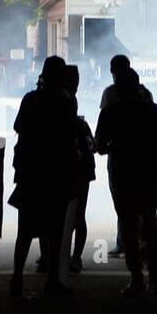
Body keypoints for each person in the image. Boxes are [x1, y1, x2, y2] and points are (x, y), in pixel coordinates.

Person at [9, 56, 77, 298]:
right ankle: (52, 281)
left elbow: (18, 127)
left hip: (31, 173)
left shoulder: (31, 98)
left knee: (25, 231)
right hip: (56, 173)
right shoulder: (65, 102)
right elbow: (69, 136)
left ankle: (17, 278)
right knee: (55, 231)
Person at [94, 68, 157, 296]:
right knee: (150, 226)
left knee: (128, 224)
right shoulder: (152, 111)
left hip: (122, 174)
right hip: (149, 173)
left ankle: (136, 278)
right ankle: (155, 276)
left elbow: (100, 146)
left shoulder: (110, 113)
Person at [64, 65, 96, 274]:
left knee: (65, 215)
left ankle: (67, 256)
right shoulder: (80, 126)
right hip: (81, 169)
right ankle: (74, 257)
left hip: (71, 168)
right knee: (79, 214)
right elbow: (92, 145)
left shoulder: (73, 125)